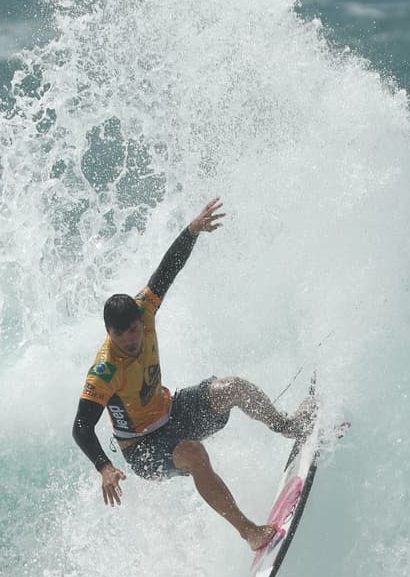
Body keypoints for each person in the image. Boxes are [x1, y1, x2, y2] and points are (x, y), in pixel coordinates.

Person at [71, 197, 314, 551]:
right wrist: (104, 467)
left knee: (232, 388)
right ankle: (251, 533)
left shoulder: (145, 309)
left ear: (141, 320)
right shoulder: (105, 371)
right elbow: (81, 427)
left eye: (135, 331)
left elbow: (167, 269)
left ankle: (288, 426)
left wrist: (192, 230)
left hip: (173, 413)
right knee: (195, 454)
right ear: (110, 332)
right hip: (143, 450)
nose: (132, 341)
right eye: (122, 337)